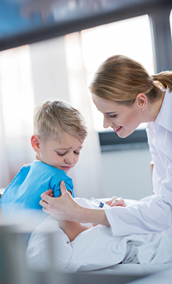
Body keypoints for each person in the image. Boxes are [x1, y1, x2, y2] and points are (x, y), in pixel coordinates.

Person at [40, 55, 172, 236]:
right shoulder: (154, 122)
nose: (105, 124)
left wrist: (79, 213)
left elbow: (166, 213)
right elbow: (163, 201)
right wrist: (124, 212)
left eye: (112, 114)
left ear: (141, 101)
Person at [1, 100, 89, 241]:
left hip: (12, 252)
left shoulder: (24, 173)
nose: (71, 160)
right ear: (37, 143)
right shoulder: (59, 181)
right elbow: (74, 233)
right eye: (62, 152)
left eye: (77, 151)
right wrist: (101, 225)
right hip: (39, 253)